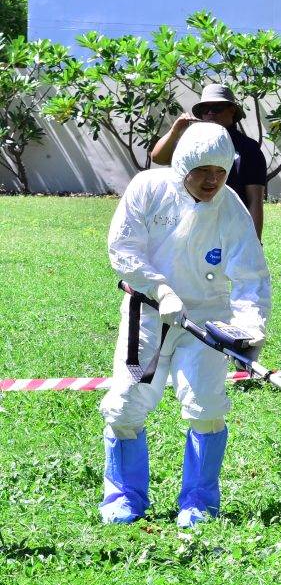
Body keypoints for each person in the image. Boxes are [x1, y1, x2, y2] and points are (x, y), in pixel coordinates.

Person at [99, 122, 271, 528]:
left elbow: (251, 276)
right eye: (203, 171)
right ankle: (124, 496)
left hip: (207, 318)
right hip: (149, 311)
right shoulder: (148, 189)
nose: (212, 180)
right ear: (182, 165)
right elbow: (123, 249)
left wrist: (249, 330)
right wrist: (161, 290)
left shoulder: (230, 208)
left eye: (221, 171)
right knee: (126, 405)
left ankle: (199, 502)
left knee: (207, 407)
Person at [151, 84, 268, 240]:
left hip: (229, 228)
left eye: (217, 108)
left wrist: (255, 242)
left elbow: (255, 200)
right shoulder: (194, 142)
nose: (210, 113)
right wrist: (174, 131)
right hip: (192, 225)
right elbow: (158, 158)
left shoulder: (248, 149)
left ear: (231, 110)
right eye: (205, 109)